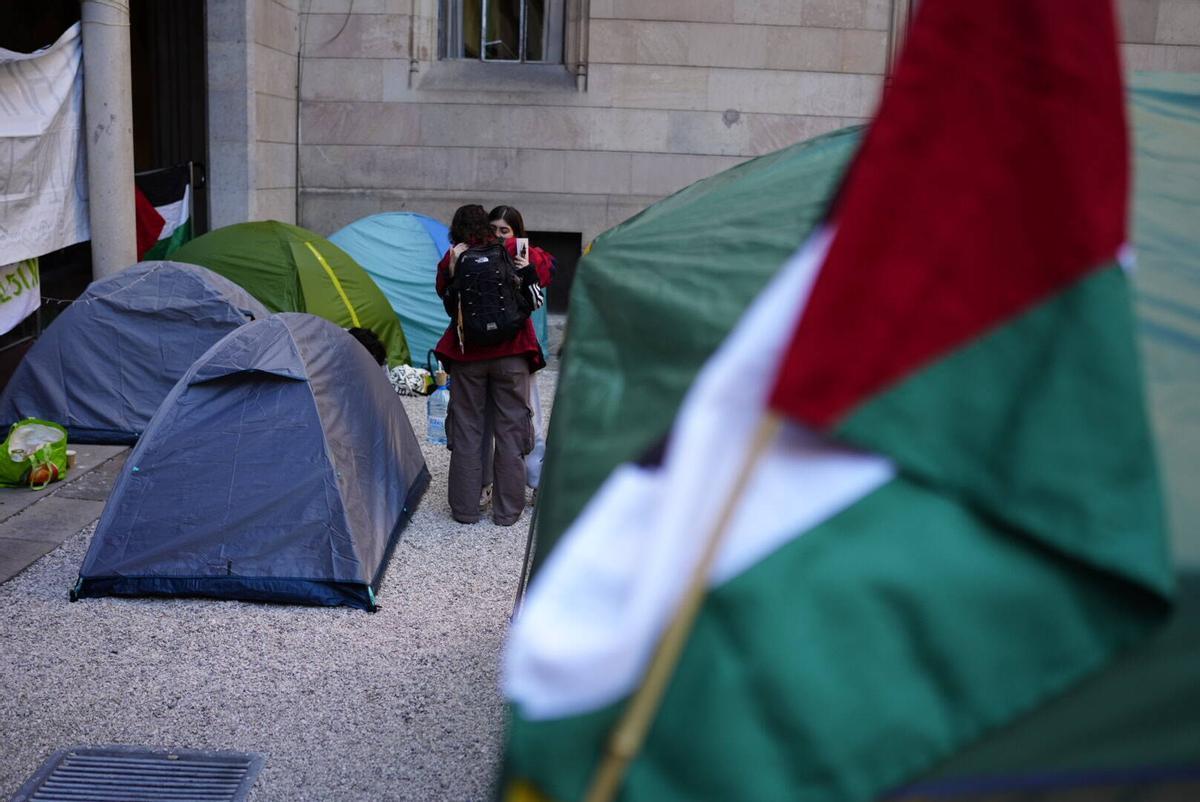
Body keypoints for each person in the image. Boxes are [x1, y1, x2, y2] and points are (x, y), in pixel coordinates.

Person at [434, 204, 551, 526]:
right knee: (512, 433)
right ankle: (507, 512)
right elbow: (544, 276)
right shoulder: (512, 248)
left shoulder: (453, 256)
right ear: (487, 226)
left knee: (469, 430)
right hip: (512, 355)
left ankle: (466, 510)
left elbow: (445, 298)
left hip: (468, 356)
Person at [488, 205, 554, 494]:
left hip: (519, 348)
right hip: (489, 349)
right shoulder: (475, 255)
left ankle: (536, 479)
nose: (499, 237)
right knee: (495, 418)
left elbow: (542, 281)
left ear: (517, 233)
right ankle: (496, 482)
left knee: (529, 416)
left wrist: (521, 261)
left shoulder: (527, 256)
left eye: (505, 231)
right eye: (493, 230)